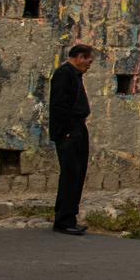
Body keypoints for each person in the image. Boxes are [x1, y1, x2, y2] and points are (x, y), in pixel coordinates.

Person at [49, 43, 94, 235]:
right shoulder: (64, 74)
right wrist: (67, 130)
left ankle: (69, 216)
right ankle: (64, 220)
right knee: (70, 174)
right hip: (70, 130)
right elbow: (59, 105)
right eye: (88, 61)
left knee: (77, 173)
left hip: (78, 128)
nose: (89, 65)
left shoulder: (74, 75)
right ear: (80, 58)